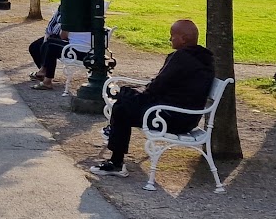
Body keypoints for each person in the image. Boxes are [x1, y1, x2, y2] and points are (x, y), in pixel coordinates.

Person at [89, 19, 215, 177]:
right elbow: (165, 87)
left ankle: (116, 162)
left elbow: (157, 87)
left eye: (172, 36)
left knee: (122, 108)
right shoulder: (203, 58)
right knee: (125, 101)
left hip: (173, 117)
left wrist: (133, 93)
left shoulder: (182, 58)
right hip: (184, 116)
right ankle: (114, 135)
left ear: (183, 38)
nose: (170, 39)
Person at [29, 6, 69, 89]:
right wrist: (47, 35)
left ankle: (45, 75)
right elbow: (53, 21)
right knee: (34, 47)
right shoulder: (62, 6)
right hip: (53, 34)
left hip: (63, 37)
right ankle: (43, 71)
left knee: (50, 46)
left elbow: (64, 34)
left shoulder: (74, 10)